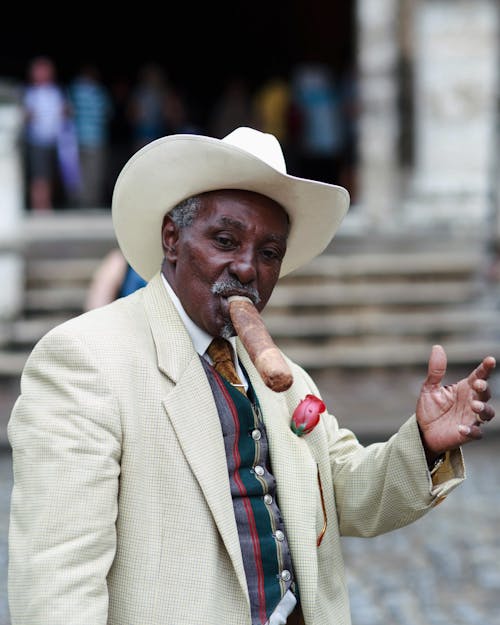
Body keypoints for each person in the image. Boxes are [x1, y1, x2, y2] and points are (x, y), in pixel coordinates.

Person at [7, 127, 496, 625]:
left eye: (269, 254)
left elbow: (346, 492)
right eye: (225, 240)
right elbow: (57, 586)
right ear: (172, 240)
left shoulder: (284, 379)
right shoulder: (86, 361)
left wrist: (424, 445)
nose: (246, 269)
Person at [22, 56, 71, 211]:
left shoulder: (57, 92)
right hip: (37, 140)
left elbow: (65, 113)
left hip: (55, 140)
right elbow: (24, 117)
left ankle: (47, 203)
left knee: (49, 175)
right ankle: (39, 205)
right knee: (38, 175)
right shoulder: (29, 93)